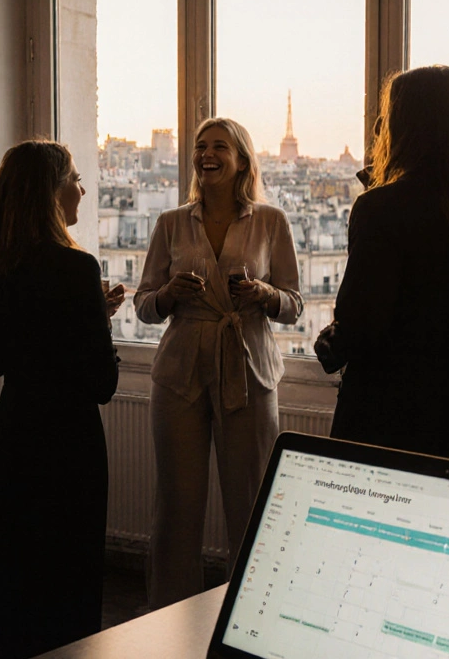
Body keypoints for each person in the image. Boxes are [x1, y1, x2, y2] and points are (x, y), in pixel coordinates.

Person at [134, 117, 303, 610]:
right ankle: (166, 619)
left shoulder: (272, 222)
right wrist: (167, 294)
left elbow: (294, 302)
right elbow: (144, 305)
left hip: (248, 369)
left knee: (251, 506)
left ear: (242, 159)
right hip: (179, 372)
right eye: (200, 147)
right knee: (176, 508)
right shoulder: (170, 223)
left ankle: (249, 615)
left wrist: (265, 294)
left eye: (219, 147)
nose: (206, 154)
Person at [314, 66, 449, 464]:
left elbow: (359, 319)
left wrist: (332, 344)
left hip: (385, 407)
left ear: (404, 126)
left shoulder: (380, 208)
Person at [0, 140, 120, 659]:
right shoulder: (78, 270)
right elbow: (101, 384)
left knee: (15, 580)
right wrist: (93, 320)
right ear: (52, 193)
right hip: (70, 445)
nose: (81, 188)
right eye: (74, 178)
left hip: (15, 437)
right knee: (70, 584)